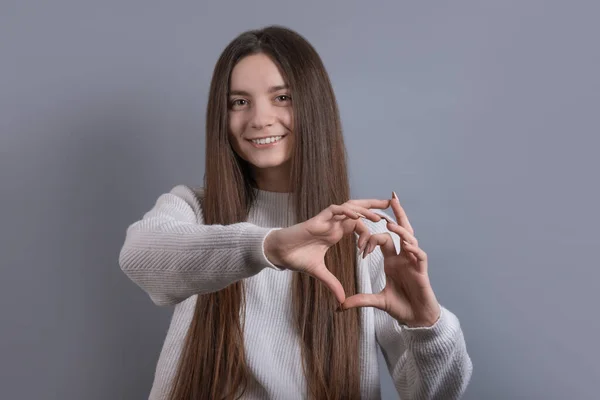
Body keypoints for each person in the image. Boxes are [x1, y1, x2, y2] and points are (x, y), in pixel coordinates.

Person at [119, 25, 473, 400]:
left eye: (282, 97)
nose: (259, 119)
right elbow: (139, 257)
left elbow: (434, 394)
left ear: (313, 105)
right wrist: (271, 246)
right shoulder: (195, 208)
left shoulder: (365, 237)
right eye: (239, 102)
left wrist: (426, 324)